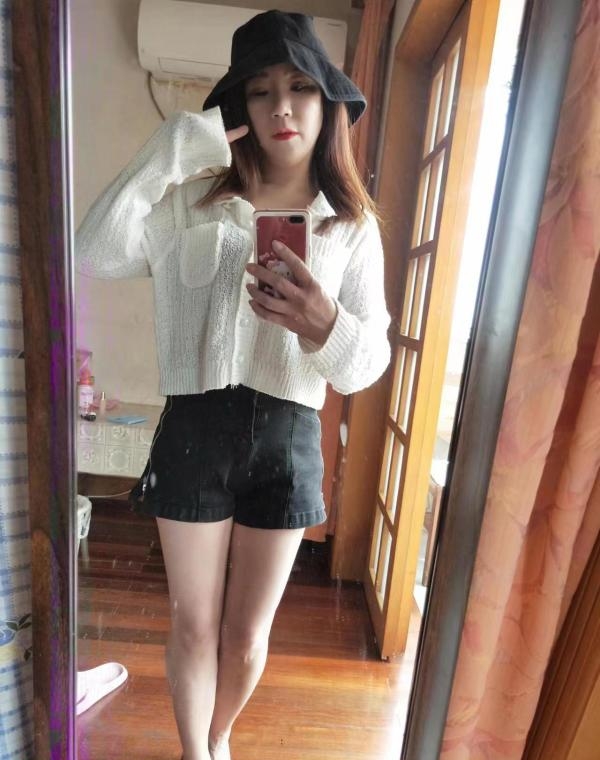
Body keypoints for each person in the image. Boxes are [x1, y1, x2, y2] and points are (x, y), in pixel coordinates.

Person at [76, 10, 390, 760]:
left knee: (248, 634)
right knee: (192, 623)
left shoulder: (350, 228)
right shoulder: (189, 204)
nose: (282, 107)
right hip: (194, 426)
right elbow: (95, 250)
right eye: (260, 90)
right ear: (237, 107)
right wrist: (172, 149)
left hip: (288, 436)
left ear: (327, 104)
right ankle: (196, 752)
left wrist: (324, 324)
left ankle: (219, 736)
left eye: (301, 87)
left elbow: (367, 364)